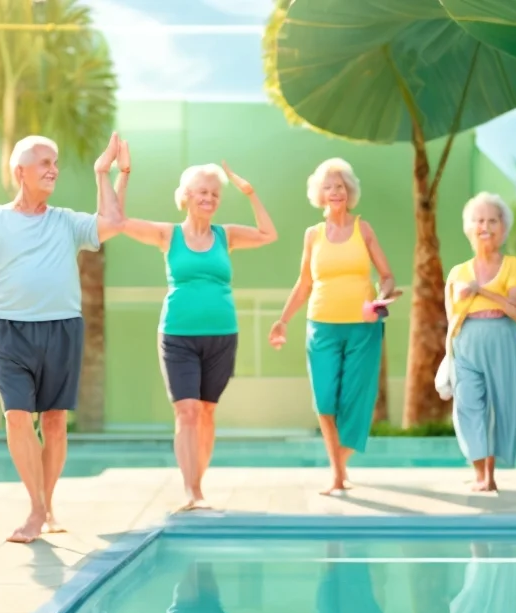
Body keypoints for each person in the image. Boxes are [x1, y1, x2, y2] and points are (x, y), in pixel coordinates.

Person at [0, 133, 125, 543]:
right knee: (18, 416)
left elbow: (112, 224)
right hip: (10, 328)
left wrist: (103, 172)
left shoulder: (66, 221)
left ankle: (47, 504)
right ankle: (37, 509)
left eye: (55, 161)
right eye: (44, 162)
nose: (53, 168)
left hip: (62, 326)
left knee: (54, 422)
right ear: (20, 172)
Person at [113, 142, 277, 511]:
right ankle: (192, 492)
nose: (210, 198)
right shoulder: (167, 235)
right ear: (186, 196)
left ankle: (197, 485)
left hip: (222, 335)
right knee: (186, 410)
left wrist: (249, 192)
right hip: (177, 335)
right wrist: (122, 175)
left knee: (206, 412)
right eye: (202, 191)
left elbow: (269, 234)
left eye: (215, 193)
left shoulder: (226, 235)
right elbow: (119, 221)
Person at [268, 158, 396, 496]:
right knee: (325, 401)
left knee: (356, 401)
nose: (335, 191)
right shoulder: (312, 235)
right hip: (321, 326)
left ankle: (338, 474)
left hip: (362, 328)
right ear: (320, 194)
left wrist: (381, 299)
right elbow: (303, 283)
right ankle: (339, 470)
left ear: (349, 191)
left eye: (340, 186)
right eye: (329, 186)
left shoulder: (362, 228)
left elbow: (387, 276)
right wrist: (282, 320)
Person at [445, 192, 516, 492]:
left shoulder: (512, 265)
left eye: (493, 220)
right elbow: (451, 315)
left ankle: (490, 476)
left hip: (501, 338)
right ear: (469, 227)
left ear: (503, 228)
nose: (485, 227)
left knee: (497, 407)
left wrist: (480, 291)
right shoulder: (456, 272)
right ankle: (479, 472)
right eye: (479, 220)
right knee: (468, 405)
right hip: (466, 341)